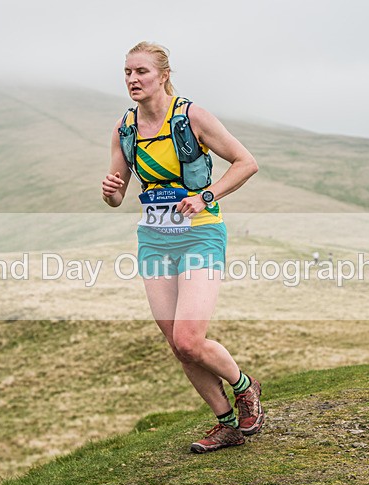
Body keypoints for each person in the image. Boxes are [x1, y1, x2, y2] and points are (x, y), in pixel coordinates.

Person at [101, 41, 263, 453]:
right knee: (176, 342)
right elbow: (118, 195)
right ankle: (225, 423)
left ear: (163, 75)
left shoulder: (192, 117)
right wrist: (111, 193)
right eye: (127, 72)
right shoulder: (125, 127)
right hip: (154, 238)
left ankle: (245, 387)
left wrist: (207, 196)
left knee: (191, 339)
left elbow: (246, 162)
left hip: (200, 232)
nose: (132, 80)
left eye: (141, 72)